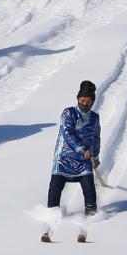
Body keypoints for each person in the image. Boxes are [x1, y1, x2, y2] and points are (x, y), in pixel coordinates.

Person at [42, 80, 101, 242]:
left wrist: (95, 157)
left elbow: (96, 137)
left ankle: (92, 216)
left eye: (88, 102)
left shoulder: (95, 117)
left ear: (93, 102)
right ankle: (51, 214)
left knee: (89, 191)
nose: (85, 104)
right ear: (77, 99)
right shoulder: (68, 113)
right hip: (65, 157)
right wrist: (82, 150)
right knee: (55, 189)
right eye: (82, 101)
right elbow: (67, 133)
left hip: (85, 160)